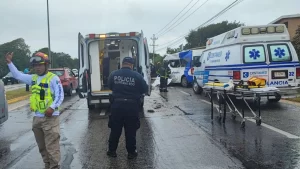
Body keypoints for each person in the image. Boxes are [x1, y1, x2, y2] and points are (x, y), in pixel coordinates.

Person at [5, 52, 64, 169]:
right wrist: (9, 63)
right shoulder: (34, 78)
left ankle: (54, 167)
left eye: (40, 65)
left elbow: (60, 94)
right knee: (42, 147)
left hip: (50, 118)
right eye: (35, 65)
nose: (37, 67)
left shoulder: (53, 78)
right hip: (37, 118)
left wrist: (52, 107)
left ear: (46, 65)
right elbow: (18, 76)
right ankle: (48, 165)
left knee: (52, 147)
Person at [107, 57, 148, 159]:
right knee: (131, 130)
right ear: (131, 65)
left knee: (115, 129)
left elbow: (110, 86)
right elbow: (145, 89)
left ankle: (112, 151)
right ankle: (131, 153)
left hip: (117, 106)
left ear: (122, 64)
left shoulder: (113, 74)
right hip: (132, 106)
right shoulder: (137, 76)